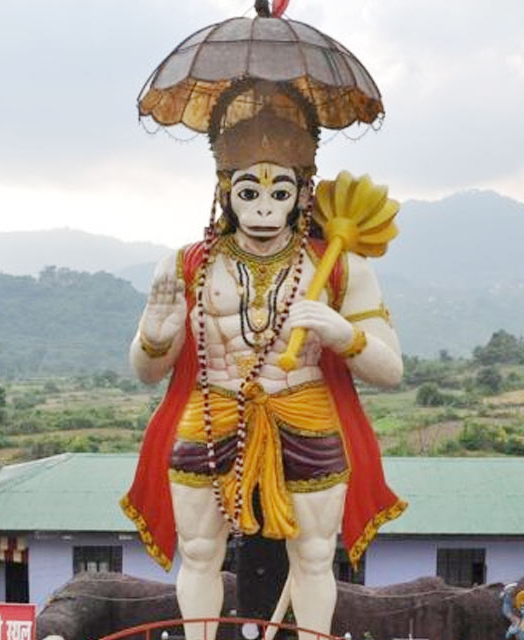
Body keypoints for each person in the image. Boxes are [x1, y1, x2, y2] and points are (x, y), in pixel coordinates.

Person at [122, 82, 405, 639]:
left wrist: (342, 333)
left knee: (317, 555)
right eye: (249, 194)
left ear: (304, 195)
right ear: (225, 191)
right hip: (211, 413)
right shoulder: (188, 264)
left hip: (305, 410)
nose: (263, 210)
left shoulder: (340, 268)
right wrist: (155, 337)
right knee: (200, 552)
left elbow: (391, 370)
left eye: (280, 195)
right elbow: (148, 371)